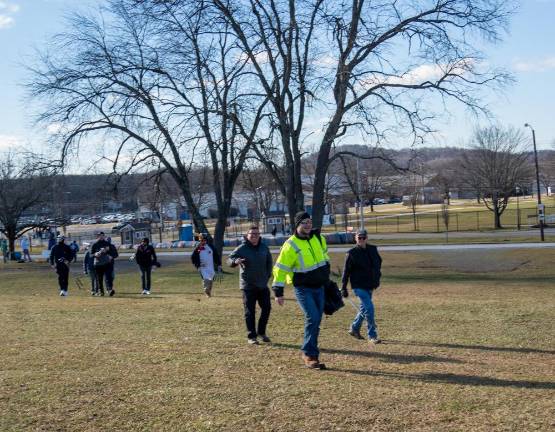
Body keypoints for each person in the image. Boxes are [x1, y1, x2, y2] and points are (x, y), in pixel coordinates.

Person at [272, 211, 331, 369]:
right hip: (303, 288)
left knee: (317, 320)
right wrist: (278, 291)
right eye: (304, 222)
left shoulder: (319, 238)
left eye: (309, 221)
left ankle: (312, 351)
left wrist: (326, 278)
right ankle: (309, 354)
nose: (308, 225)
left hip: (319, 286)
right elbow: (280, 268)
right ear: (297, 225)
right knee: (312, 317)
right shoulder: (290, 245)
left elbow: (325, 257)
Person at [228, 226, 273, 345]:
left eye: (256, 234)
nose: (254, 236)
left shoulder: (264, 247)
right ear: (247, 235)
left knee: (267, 308)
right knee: (250, 311)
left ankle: (261, 332)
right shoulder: (242, 248)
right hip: (248, 285)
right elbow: (230, 259)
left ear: (259, 236)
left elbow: (269, 262)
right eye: (252, 234)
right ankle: (252, 336)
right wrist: (234, 262)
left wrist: (267, 275)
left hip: (262, 285)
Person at [341, 229, 383, 344]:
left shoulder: (373, 250)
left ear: (367, 238)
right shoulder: (351, 253)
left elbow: (378, 263)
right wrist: (343, 287)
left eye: (363, 237)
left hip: (370, 284)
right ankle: (372, 335)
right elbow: (346, 272)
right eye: (359, 238)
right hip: (358, 286)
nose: (362, 240)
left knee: (364, 308)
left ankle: (354, 328)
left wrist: (377, 277)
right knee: (369, 308)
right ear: (355, 238)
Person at [191, 233, 222, 297]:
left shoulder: (211, 247)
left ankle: (208, 291)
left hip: (210, 267)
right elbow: (193, 258)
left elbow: (216, 256)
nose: (202, 242)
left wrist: (219, 264)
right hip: (202, 268)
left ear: (206, 240)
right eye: (201, 240)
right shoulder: (198, 248)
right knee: (206, 279)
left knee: (210, 280)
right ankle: (206, 291)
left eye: (204, 240)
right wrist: (198, 266)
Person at [91, 232, 118, 296]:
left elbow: (113, 252)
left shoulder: (107, 244)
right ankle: (101, 291)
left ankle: (109, 290)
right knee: (99, 278)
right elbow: (91, 254)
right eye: (100, 235)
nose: (101, 237)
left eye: (102, 235)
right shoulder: (95, 244)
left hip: (106, 263)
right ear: (97, 236)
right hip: (98, 264)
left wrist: (111, 256)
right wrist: (95, 254)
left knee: (108, 277)